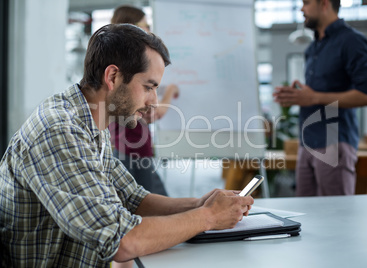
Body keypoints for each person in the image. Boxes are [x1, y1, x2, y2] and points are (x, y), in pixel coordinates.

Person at [0, 24, 254, 267]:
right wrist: (208, 217)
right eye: (148, 87)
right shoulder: (59, 130)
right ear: (113, 76)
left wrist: (200, 204)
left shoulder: (90, 122)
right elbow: (121, 239)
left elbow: (131, 198)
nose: (153, 102)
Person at [273, 0, 367, 196]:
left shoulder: (352, 41)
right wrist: (298, 96)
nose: (301, 8)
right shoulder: (313, 48)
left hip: (334, 139)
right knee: (306, 216)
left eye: (306, 2)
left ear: (324, 4)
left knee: (336, 217)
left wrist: (313, 97)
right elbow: (315, 95)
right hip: (307, 142)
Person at [109, 5, 179, 196]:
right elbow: (152, 114)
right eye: (145, 25)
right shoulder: (128, 69)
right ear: (132, 28)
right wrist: (170, 91)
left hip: (131, 150)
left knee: (154, 203)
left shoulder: (120, 64)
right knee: (152, 207)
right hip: (132, 152)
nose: (149, 30)